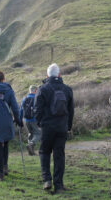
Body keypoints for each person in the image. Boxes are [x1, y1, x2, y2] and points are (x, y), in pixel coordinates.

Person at [34, 63, 74, 194]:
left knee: (44, 152)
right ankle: (59, 185)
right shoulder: (67, 89)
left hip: (47, 127)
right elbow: (71, 110)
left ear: (47, 75)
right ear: (59, 74)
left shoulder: (42, 89)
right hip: (62, 127)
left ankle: (46, 180)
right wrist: (68, 126)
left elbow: (37, 110)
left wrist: (40, 123)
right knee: (59, 155)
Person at [19, 85, 41, 156]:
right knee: (38, 133)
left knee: (31, 134)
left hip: (26, 120)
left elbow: (21, 110)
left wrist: (20, 119)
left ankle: (31, 152)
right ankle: (31, 144)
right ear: (35, 91)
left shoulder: (24, 99)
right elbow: (39, 110)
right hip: (34, 119)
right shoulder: (36, 98)